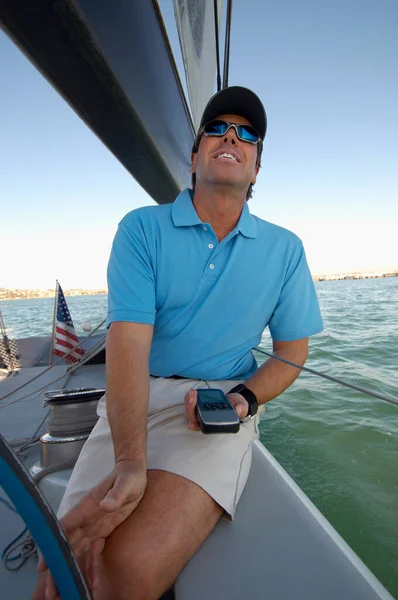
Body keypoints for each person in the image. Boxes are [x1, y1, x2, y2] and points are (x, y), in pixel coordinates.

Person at [33, 86, 323, 600]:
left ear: (256, 169)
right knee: (60, 569)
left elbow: (291, 354)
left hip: (215, 406)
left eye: (247, 134)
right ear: (194, 157)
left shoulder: (286, 250)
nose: (232, 136)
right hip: (135, 393)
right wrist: (129, 461)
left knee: (122, 576)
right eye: (217, 128)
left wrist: (245, 398)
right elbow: (128, 345)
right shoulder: (142, 229)